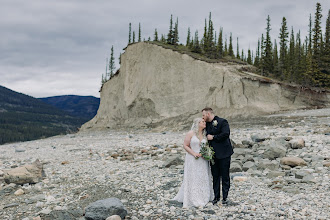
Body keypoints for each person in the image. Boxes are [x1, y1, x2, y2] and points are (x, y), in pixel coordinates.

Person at [172, 118, 214, 208]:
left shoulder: (204, 134)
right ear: (198, 123)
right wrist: (194, 153)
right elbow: (185, 145)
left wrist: (206, 154)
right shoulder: (191, 133)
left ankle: (203, 196)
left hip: (203, 160)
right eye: (202, 122)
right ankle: (192, 197)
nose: (204, 123)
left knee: (202, 176)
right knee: (193, 176)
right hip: (192, 158)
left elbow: (206, 146)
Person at [202, 107, 234, 205]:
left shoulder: (222, 121)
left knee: (225, 176)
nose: (202, 117)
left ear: (208, 114)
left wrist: (214, 137)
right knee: (215, 176)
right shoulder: (205, 124)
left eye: (203, 115)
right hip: (213, 155)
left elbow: (226, 134)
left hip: (224, 154)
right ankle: (216, 197)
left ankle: (225, 197)